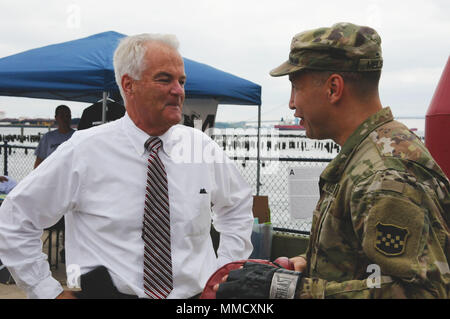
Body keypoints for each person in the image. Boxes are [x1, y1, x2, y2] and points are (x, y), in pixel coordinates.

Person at [0, 34, 254, 299]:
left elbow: (237, 207)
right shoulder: (84, 150)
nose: (178, 90)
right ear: (129, 85)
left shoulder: (202, 148)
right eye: (164, 79)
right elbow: (15, 218)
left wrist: (223, 274)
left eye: (181, 81)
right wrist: (46, 290)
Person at [215, 22, 450, 299]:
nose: (291, 103)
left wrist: (286, 290)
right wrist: (306, 265)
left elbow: (423, 293)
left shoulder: (384, 175)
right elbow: (366, 266)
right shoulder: (367, 155)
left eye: (296, 87)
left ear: (333, 88)